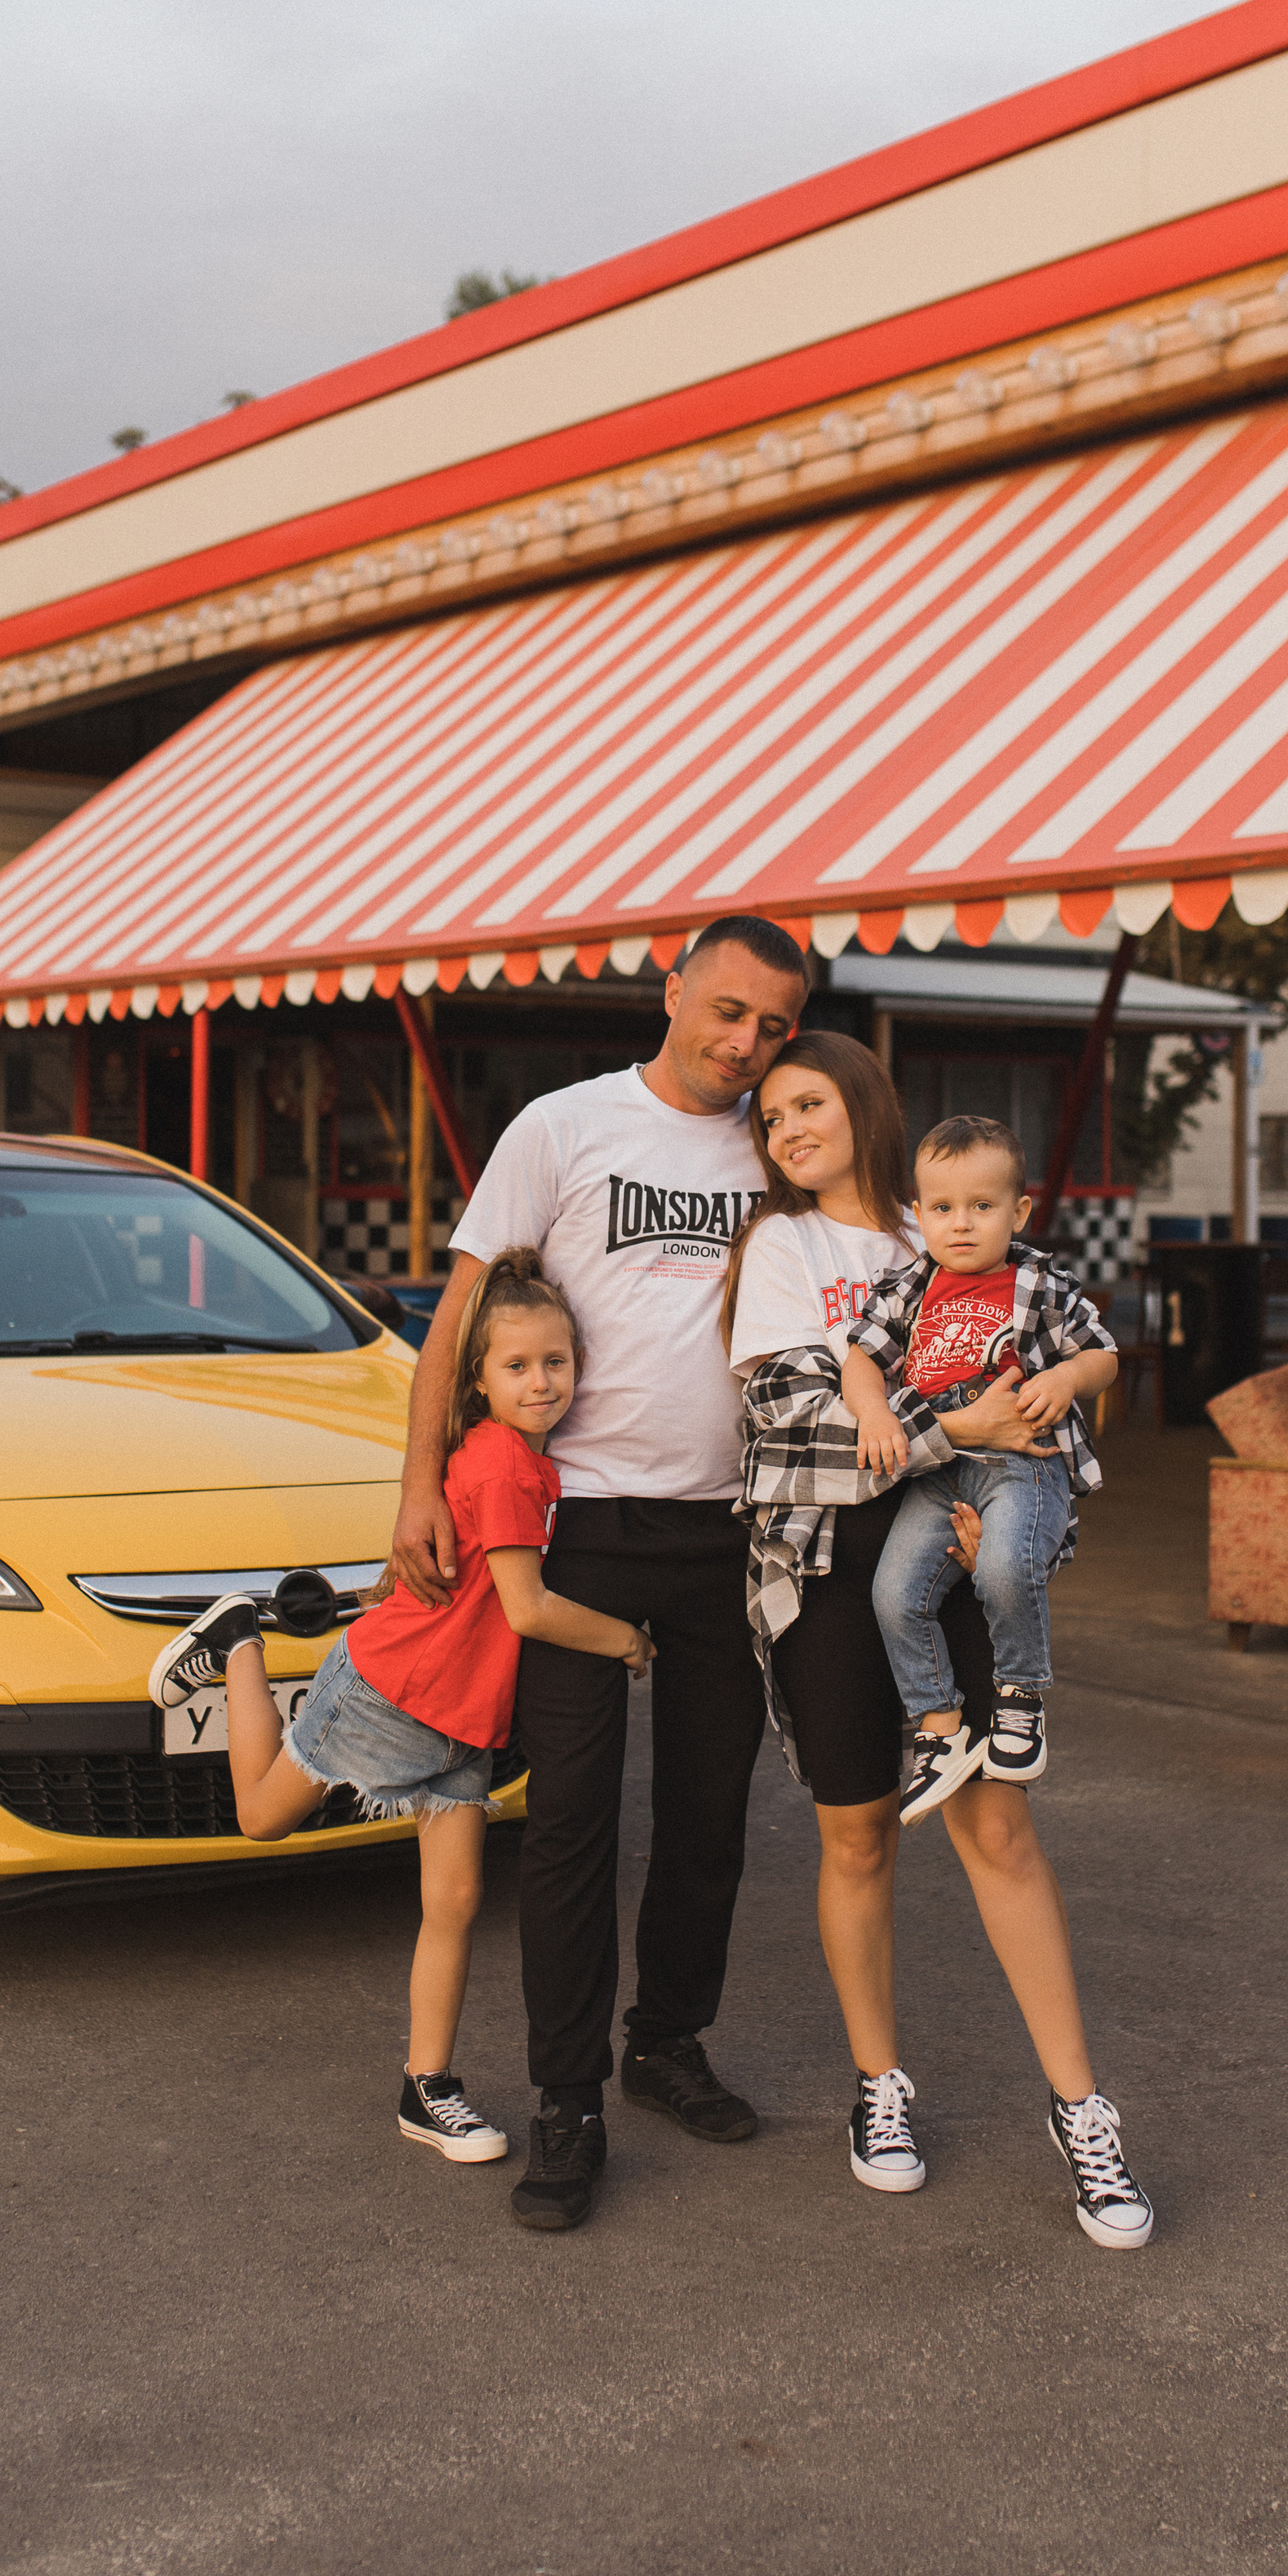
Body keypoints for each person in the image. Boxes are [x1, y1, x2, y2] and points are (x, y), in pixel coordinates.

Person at [389, 917, 811, 2234]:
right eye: (728, 1010)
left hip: (729, 1530)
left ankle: (666, 2045)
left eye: (774, 1026)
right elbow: (461, 1311)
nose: (746, 1043)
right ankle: (565, 2099)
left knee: (707, 1819)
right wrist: (418, 1481)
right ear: (672, 990)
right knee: (570, 1832)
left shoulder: (784, 1141)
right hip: (577, 1531)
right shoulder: (564, 1128)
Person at [731, 1040, 1154, 2247]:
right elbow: (788, 1428)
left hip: (957, 1559)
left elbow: (1048, 1423)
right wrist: (955, 1423)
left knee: (1001, 1829)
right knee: (859, 1835)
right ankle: (879, 2088)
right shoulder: (783, 1250)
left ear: (867, 1109)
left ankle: (1084, 2113)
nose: (790, 1132)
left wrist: (1015, 1478)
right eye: (771, 1120)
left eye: (809, 1105)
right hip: (823, 1574)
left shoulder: (984, 1245)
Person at [148, 1251, 651, 2170]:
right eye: (517, 1367)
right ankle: (239, 1647)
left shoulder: (529, 1458)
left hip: (461, 1715)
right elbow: (530, 1607)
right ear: (477, 1379)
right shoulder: (503, 1462)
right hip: (391, 1692)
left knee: (454, 1900)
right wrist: (627, 1639)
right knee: (261, 1817)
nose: (541, 1383)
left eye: (556, 1363)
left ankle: (429, 2087)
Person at [842, 1113, 1120, 1824]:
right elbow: (861, 1359)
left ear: (1018, 1211)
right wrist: (874, 1413)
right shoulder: (908, 1287)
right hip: (937, 1475)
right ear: (919, 1213)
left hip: (1022, 1465)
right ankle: (939, 1729)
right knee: (893, 1593)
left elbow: (1103, 1353)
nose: (960, 1224)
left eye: (982, 1206)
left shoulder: (1039, 1283)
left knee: (1002, 1569)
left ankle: (1020, 1701)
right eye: (941, 1208)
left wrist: (1066, 1380)